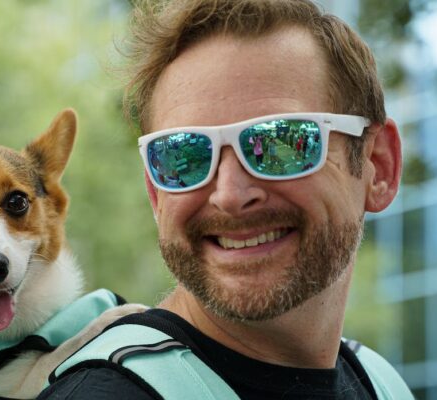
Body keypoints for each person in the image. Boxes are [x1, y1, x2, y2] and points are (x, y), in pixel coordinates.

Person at [39, 0, 410, 399]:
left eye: (280, 142)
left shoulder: (381, 383)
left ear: (378, 165)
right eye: (184, 156)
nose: (230, 195)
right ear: (155, 191)